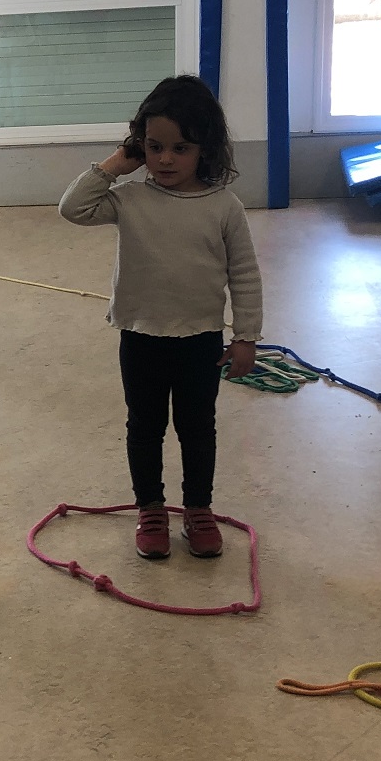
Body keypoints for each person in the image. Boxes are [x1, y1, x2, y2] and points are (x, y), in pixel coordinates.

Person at [58, 74, 262, 562]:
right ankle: (150, 508)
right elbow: (73, 208)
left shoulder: (225, 207)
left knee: (198, 429)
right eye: (154, 147)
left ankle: (197, 509)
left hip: (200, 339)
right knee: (145, 427)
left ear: (205, 149)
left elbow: (245, 275)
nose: (166, 159)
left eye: (180, 148)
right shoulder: (130, 199)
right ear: (139, 146)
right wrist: (116, 164)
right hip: (141, 336)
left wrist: (246, 337)